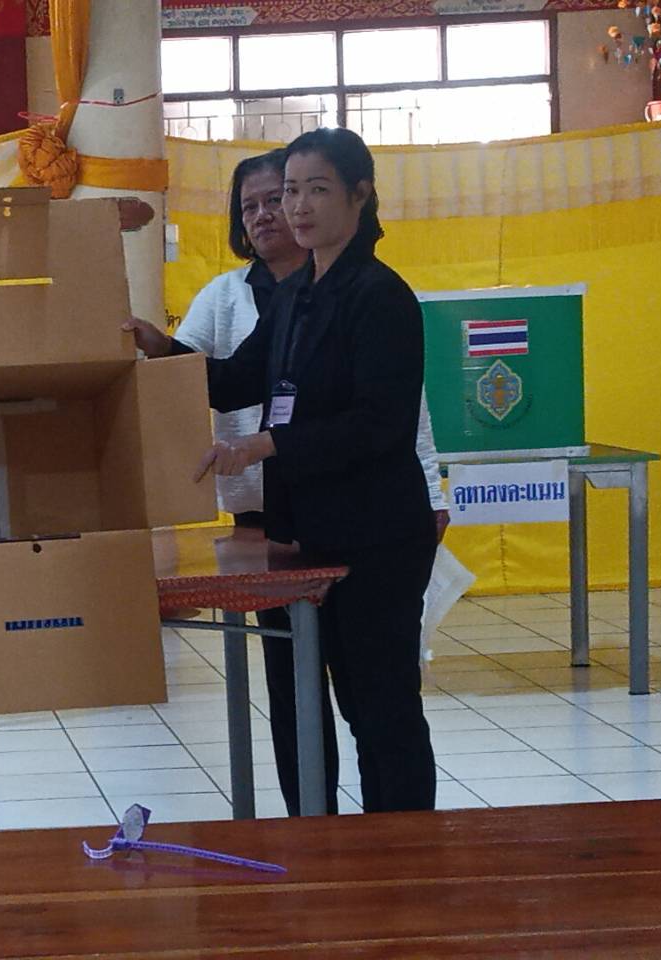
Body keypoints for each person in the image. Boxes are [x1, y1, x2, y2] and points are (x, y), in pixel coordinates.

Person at [131, 128, 439, 814]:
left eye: (315, 189)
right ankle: (321, 837)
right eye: (289, 190)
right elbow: (235, 379)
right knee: (303, 696)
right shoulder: (297, 295)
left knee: (378, 706)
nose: (296, 207)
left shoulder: (380, 296)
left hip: (375, 535)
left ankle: (404, 845)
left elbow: (380, 424)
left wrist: (270, 445)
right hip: (303, 532)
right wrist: (159, 349)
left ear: (360, 195)